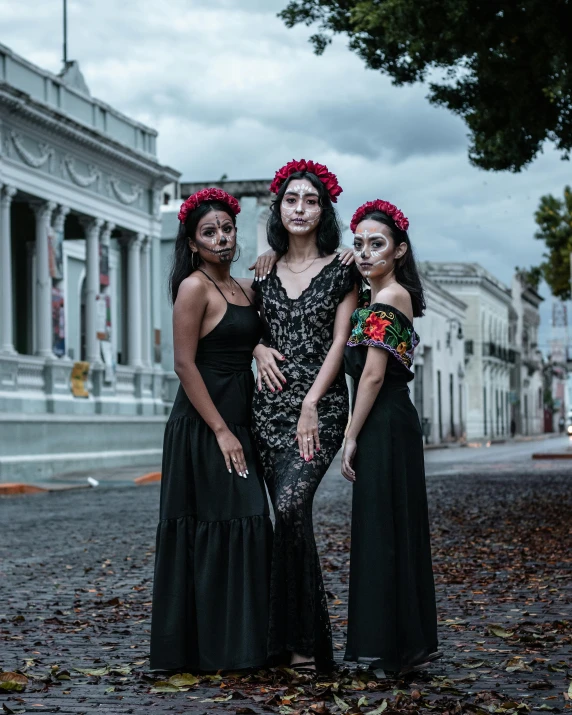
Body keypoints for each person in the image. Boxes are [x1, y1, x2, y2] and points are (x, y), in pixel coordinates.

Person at [150, 188, 272, 672]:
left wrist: (260, 347)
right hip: (203, 426)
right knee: (214, 527)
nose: (221, 238)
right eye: (209, 232)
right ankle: (207, 650)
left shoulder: (247, 287)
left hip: (241, 419)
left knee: (248, 523)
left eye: (226, 229)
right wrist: (221, 431)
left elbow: (262, 329)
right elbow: (183, 364)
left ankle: (240, 645)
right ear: (194, 243)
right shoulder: (193, 288)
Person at [251, 159, 358, 675]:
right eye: (292, 199)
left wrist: (312, 403)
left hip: (322, 408)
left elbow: (340, 340)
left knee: (293, 509)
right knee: (286, 520)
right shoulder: (262, 269)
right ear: (279, 207)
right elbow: (235, 322)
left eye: (310, 200)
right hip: (268, 413)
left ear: (323, 210)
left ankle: (307, 642)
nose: (300, 208)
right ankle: (293, 645)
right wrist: (256, 347)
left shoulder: (342, 268)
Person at [341, 199, 439, 675]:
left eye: (375, 244)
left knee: (384, 529)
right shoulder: (371, 297)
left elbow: (374, 376)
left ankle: (388, 648)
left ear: (398, 250)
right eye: (357, 243)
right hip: (387, 423)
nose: (364, 252)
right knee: (382, 528)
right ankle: (387, 644)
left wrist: (350, 435)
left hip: (385, 423)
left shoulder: (390, 297)